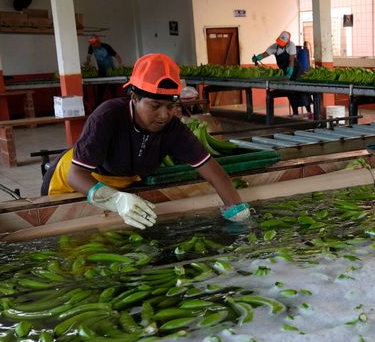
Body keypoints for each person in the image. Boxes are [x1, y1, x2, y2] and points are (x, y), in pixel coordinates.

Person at [42, 53, 250, 229]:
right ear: (134, 98)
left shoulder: (172, 129)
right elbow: (76, 176)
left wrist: (238, 213)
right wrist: (116, 200)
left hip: (120, 184)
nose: (163, 115)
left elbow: (216, 175)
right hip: (73, 182)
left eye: (170, 106)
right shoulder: (108, 116)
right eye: (155, 106)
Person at [252, 31, 311, 116]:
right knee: (290, 91)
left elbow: (291, 61)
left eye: (282, 43)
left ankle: (309, 111)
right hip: (285, 71)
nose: (280, 44)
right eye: (279, 42)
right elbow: (265, 54)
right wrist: (257, 57)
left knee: (301, 90)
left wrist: (289, 73)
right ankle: (295, 113)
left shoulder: (291, 45)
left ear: (287, 42)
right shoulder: (274, 47)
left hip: (296, 71)